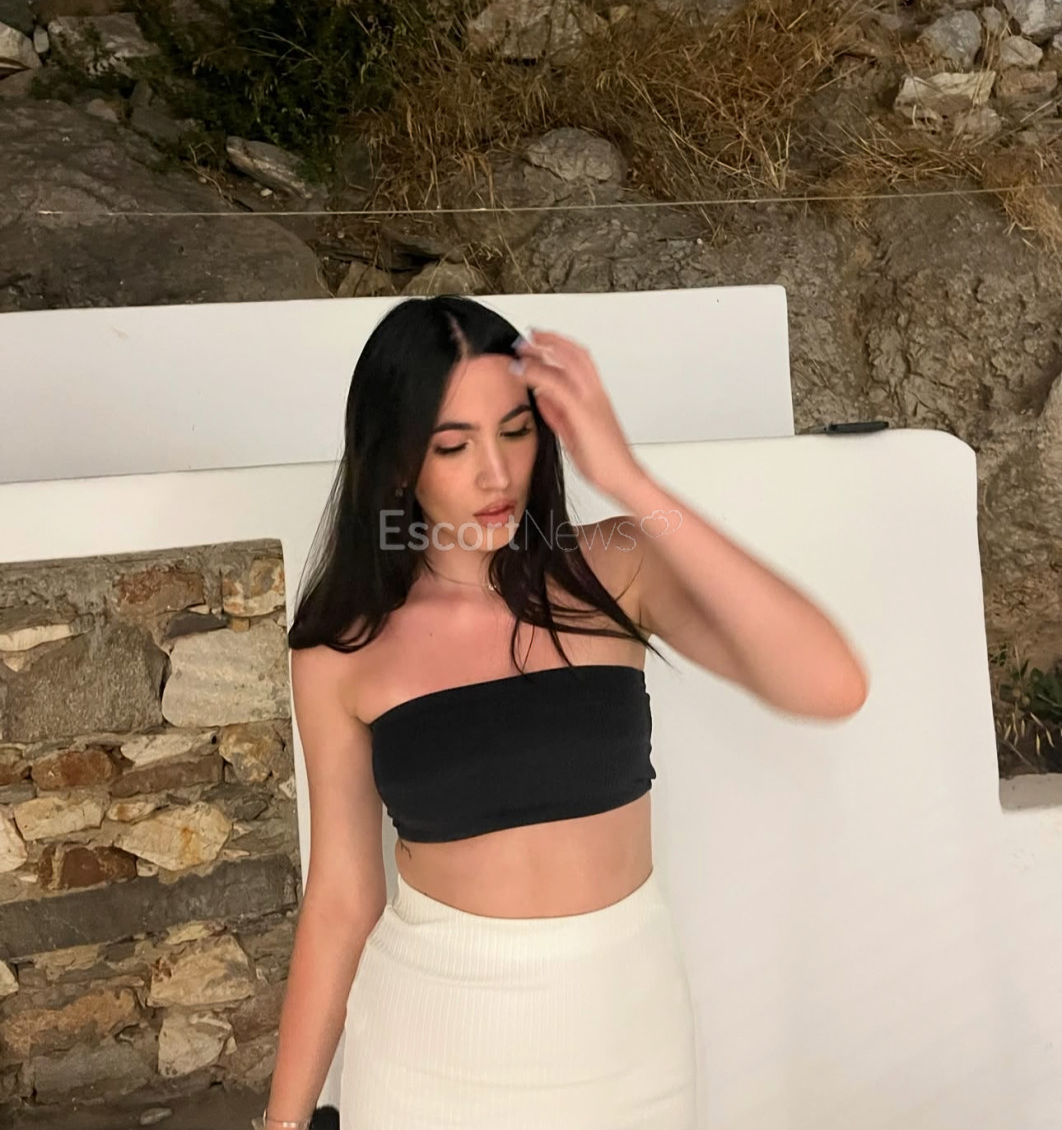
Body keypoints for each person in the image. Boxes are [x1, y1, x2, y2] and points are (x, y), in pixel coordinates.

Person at [261, 295, 869, 1130]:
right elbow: (341, 896)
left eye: (516, 431)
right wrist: (284, 1123)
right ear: (397, 462)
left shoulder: (614, 570)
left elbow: (831, 684)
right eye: (453, 445)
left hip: (631, 1044)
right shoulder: (342, 649)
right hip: (428, 1052)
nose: (496, 474)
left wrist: (630, 480)